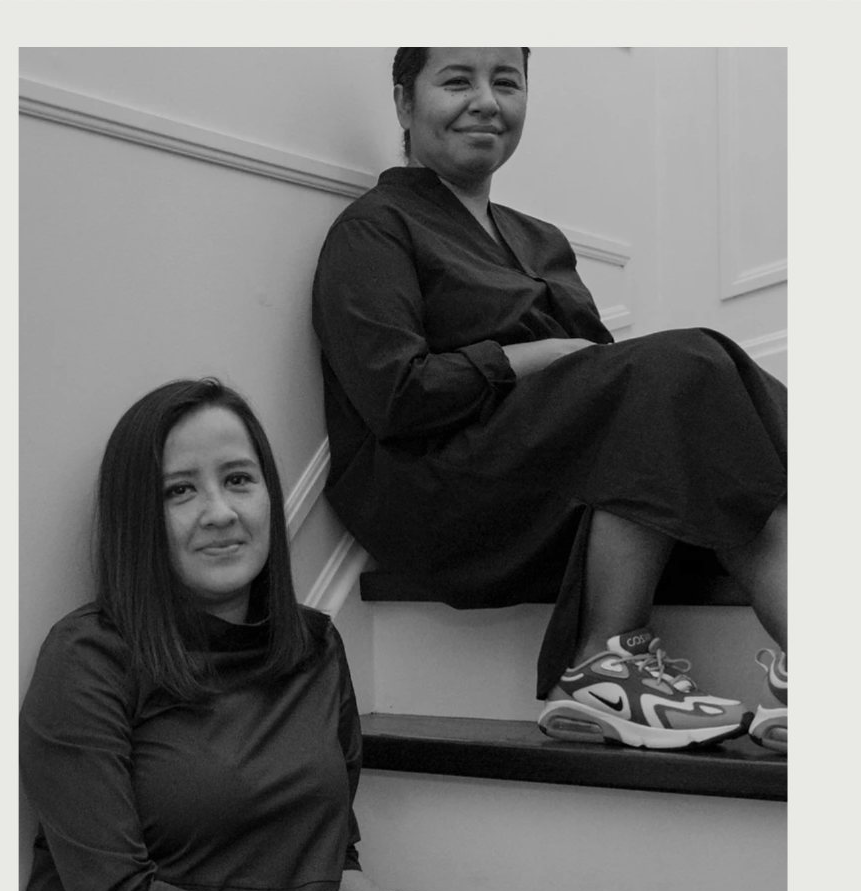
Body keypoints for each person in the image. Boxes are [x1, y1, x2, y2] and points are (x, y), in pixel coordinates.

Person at [312, 47, 788, 753]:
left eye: (507, 81)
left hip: (548, 480)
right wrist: (540, 354)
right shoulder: (375, 227)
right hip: (437, 488)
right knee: (682, 366)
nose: (486, 100)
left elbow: (608, 382)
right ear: (404, 102)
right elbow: (396, 396)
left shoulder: (540, 241)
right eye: (457, 80)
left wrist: (579, 366)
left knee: (711, 395)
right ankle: (604, 661)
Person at [19, 379, 471, 891]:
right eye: (180, 491)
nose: (221, 512)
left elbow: (326, 861)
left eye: (238, 480)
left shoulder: (315, 650)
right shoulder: (87, 659)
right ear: (137, 517)